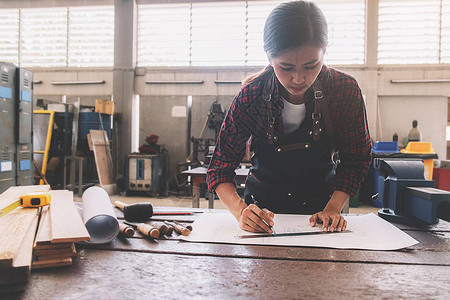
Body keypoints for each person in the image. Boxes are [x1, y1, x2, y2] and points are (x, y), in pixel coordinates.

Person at [207, 1, 372, 234]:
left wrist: (334, 208)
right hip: (262, 217)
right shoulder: (251, 96)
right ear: (268, 55)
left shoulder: (344, 90)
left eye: (311, 65)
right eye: (285, 67)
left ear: (325, 50)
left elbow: (357, 157)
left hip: (322, 216)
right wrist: (241, 211)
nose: (298, 78)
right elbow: (220, 167)